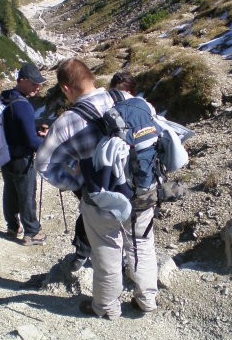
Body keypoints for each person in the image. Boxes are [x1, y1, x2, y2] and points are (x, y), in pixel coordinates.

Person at [35, 60, 158, 318]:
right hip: (143, 189)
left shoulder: (67, 122)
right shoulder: (126, 97)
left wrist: (75, 182)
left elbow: (44, 165)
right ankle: (146, 300)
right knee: (143, 244)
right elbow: (155, 128)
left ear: (66, 88)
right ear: (92, 77)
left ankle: (106, 307)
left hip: (102, 198)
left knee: (107, 251)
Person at [69, 71, 138, 271]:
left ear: (132, 92)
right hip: (103, 172)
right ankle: (82, 252)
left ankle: (122, 260)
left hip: (123, 174)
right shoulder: (104, 111)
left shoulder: (138, 112)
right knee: (89, 212)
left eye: (123, 93)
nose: (119, 98)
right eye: (116, 93)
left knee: (121, 216)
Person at [0, 63, 48, 246]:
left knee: (10, 191)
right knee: (27, 193)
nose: (38, 87)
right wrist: (46, 143)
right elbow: (31, 141)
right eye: (34, 83)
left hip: (5, 155)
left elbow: (14, 127)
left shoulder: (5, 98)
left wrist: (33, 131)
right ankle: (32, 233)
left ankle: (12, 227)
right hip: (22, 158)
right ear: (22, 81)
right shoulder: (24, 106)